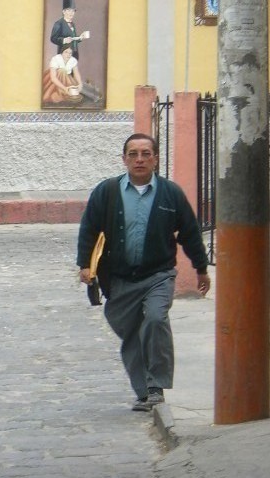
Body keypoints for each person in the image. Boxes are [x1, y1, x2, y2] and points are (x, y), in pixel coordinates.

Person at [76, 133, 211, 412]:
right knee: (132, 335)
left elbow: (190, 232)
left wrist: (201, 268)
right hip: (120, 279)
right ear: (124, 159)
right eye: (133, 154)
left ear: (156, 158)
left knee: (155, 320)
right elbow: (89, 228)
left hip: (158, 275)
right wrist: (85, 265)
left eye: (146, 154)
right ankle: (143, 392)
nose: (139, 159)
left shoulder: (170, 193)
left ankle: (156, 386)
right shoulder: (107, 191)